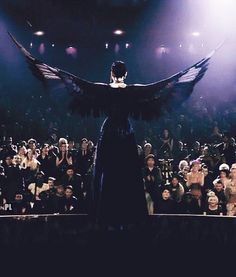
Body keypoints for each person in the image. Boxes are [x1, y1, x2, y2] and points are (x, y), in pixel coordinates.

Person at [10, 33, 214, 224]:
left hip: (108, 132)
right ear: (125, 74)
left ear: (112, 73)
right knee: (127, 173)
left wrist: (36, 62)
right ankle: (128, 214)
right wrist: (197, 67)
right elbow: (172, 84)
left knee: (106, 173)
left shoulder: (100, 90)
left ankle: (104, 214)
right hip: (125, 132)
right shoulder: (136, 92)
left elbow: (64, 80)